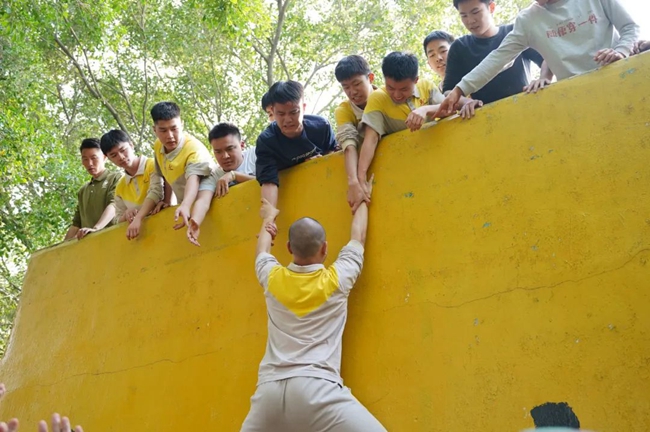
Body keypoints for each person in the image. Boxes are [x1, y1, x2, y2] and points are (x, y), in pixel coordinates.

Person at [242, 175, 385, 432]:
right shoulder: (336, 279)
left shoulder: (272, 277)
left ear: (288, 247)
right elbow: (358, 237)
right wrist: (362, 196)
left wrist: (269, 218)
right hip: (317, 389)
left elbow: (262, 252)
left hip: (269, 394)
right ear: (325, 248)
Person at [437, 0, 640, 117]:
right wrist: (460, 90)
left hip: (620, 81)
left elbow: (630, 27)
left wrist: (621, 50)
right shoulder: (528, 20)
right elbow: (497, 58)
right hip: (577, 100)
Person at [355, 52, 480, 205]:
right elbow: (371, 138)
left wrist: (425, 109)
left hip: (438, 159)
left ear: (416, 80)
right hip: (405, 169)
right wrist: (360, 180)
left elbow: (449, 109)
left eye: (404, 89)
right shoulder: (377, 98)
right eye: (391, 88)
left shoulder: (426, 86)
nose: (397, 94)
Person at [443, 0, 548, 103]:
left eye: (475, 12)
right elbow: (449, 91)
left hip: (526, 106)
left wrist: (543, 78)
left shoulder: (516, 33)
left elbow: (546, 59)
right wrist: (466, 102)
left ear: (491, 7)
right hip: (483, 115)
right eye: (464, 16)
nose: (470, 21)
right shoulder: (459, 47)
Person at [255, 80, 338, 208]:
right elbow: (268, 182)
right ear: (272, 111)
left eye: (294, 112)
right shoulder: (266, 141)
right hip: (293, 200)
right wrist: (269, 218)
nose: (288, 120)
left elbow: (334, 155)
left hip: (326, 193)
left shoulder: (321, 127)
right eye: (281, 114)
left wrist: (318, 163)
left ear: (303, 108)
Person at [187, 122, 257, 246]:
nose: (225, 156)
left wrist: (234, 175)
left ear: (242, 145)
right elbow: (203, 200)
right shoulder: (213, 174)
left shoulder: (257, 155)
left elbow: (269, 182)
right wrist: (195, 221)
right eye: (218, 152)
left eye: (230, 149)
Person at [149, 101, 215, 231]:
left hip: (210, 205)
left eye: (174, 129)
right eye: (163, 130)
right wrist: (167, 200)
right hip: (187, 211)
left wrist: (185, 205)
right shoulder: (158, 146)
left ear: (182, 125)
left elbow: (193, 179)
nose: (170, 136)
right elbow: (166, 172)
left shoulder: (194, 149)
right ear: (154, 130)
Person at [99, 130, 167, 240]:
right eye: (113, 155)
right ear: (108, 158)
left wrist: (138, 218)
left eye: (123, 150)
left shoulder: (152, 165)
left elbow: (156, 192)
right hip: (145, 238)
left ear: (131, 145)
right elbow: (117, 219)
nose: (120, 157)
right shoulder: (120, 186)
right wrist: (126, 215)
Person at [333, 55, 377, 213]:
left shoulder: (388, 95)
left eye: (356, 84)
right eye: (346, 87)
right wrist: (354, 182)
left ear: (370, 78)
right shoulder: (343, 110)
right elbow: (349, 145)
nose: (352, 92)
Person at [64, 138, 122, 241]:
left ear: (105, 157)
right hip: (89, 247)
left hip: (113, 240)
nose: (89, 163)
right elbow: (76, 224)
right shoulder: (83, 190)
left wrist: (96, 229)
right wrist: (61, 249)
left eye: (94, 158)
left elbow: (114, 205)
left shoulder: (116, 178)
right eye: (85, 159)